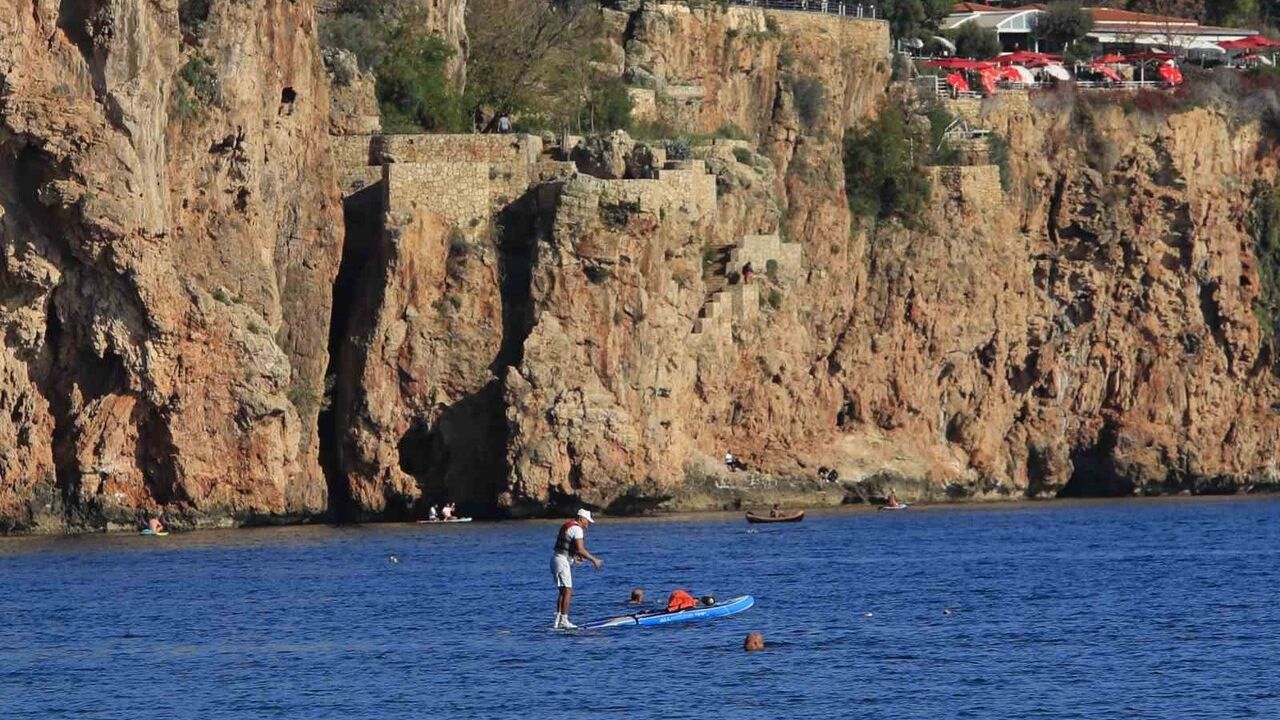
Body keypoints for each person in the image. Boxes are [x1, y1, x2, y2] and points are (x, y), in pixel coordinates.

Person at [551, 508, 603, 629]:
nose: (588, 524)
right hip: (561, 561)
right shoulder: (577, 529)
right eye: (587, 521)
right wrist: (594, 560)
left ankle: (558, 620)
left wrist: (574, 556)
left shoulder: (568, 526)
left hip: (556, 559)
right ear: (581, 519)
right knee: (568, 591)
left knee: (563, 591)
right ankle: (564, 620)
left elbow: (569, 545)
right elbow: (581, 549)